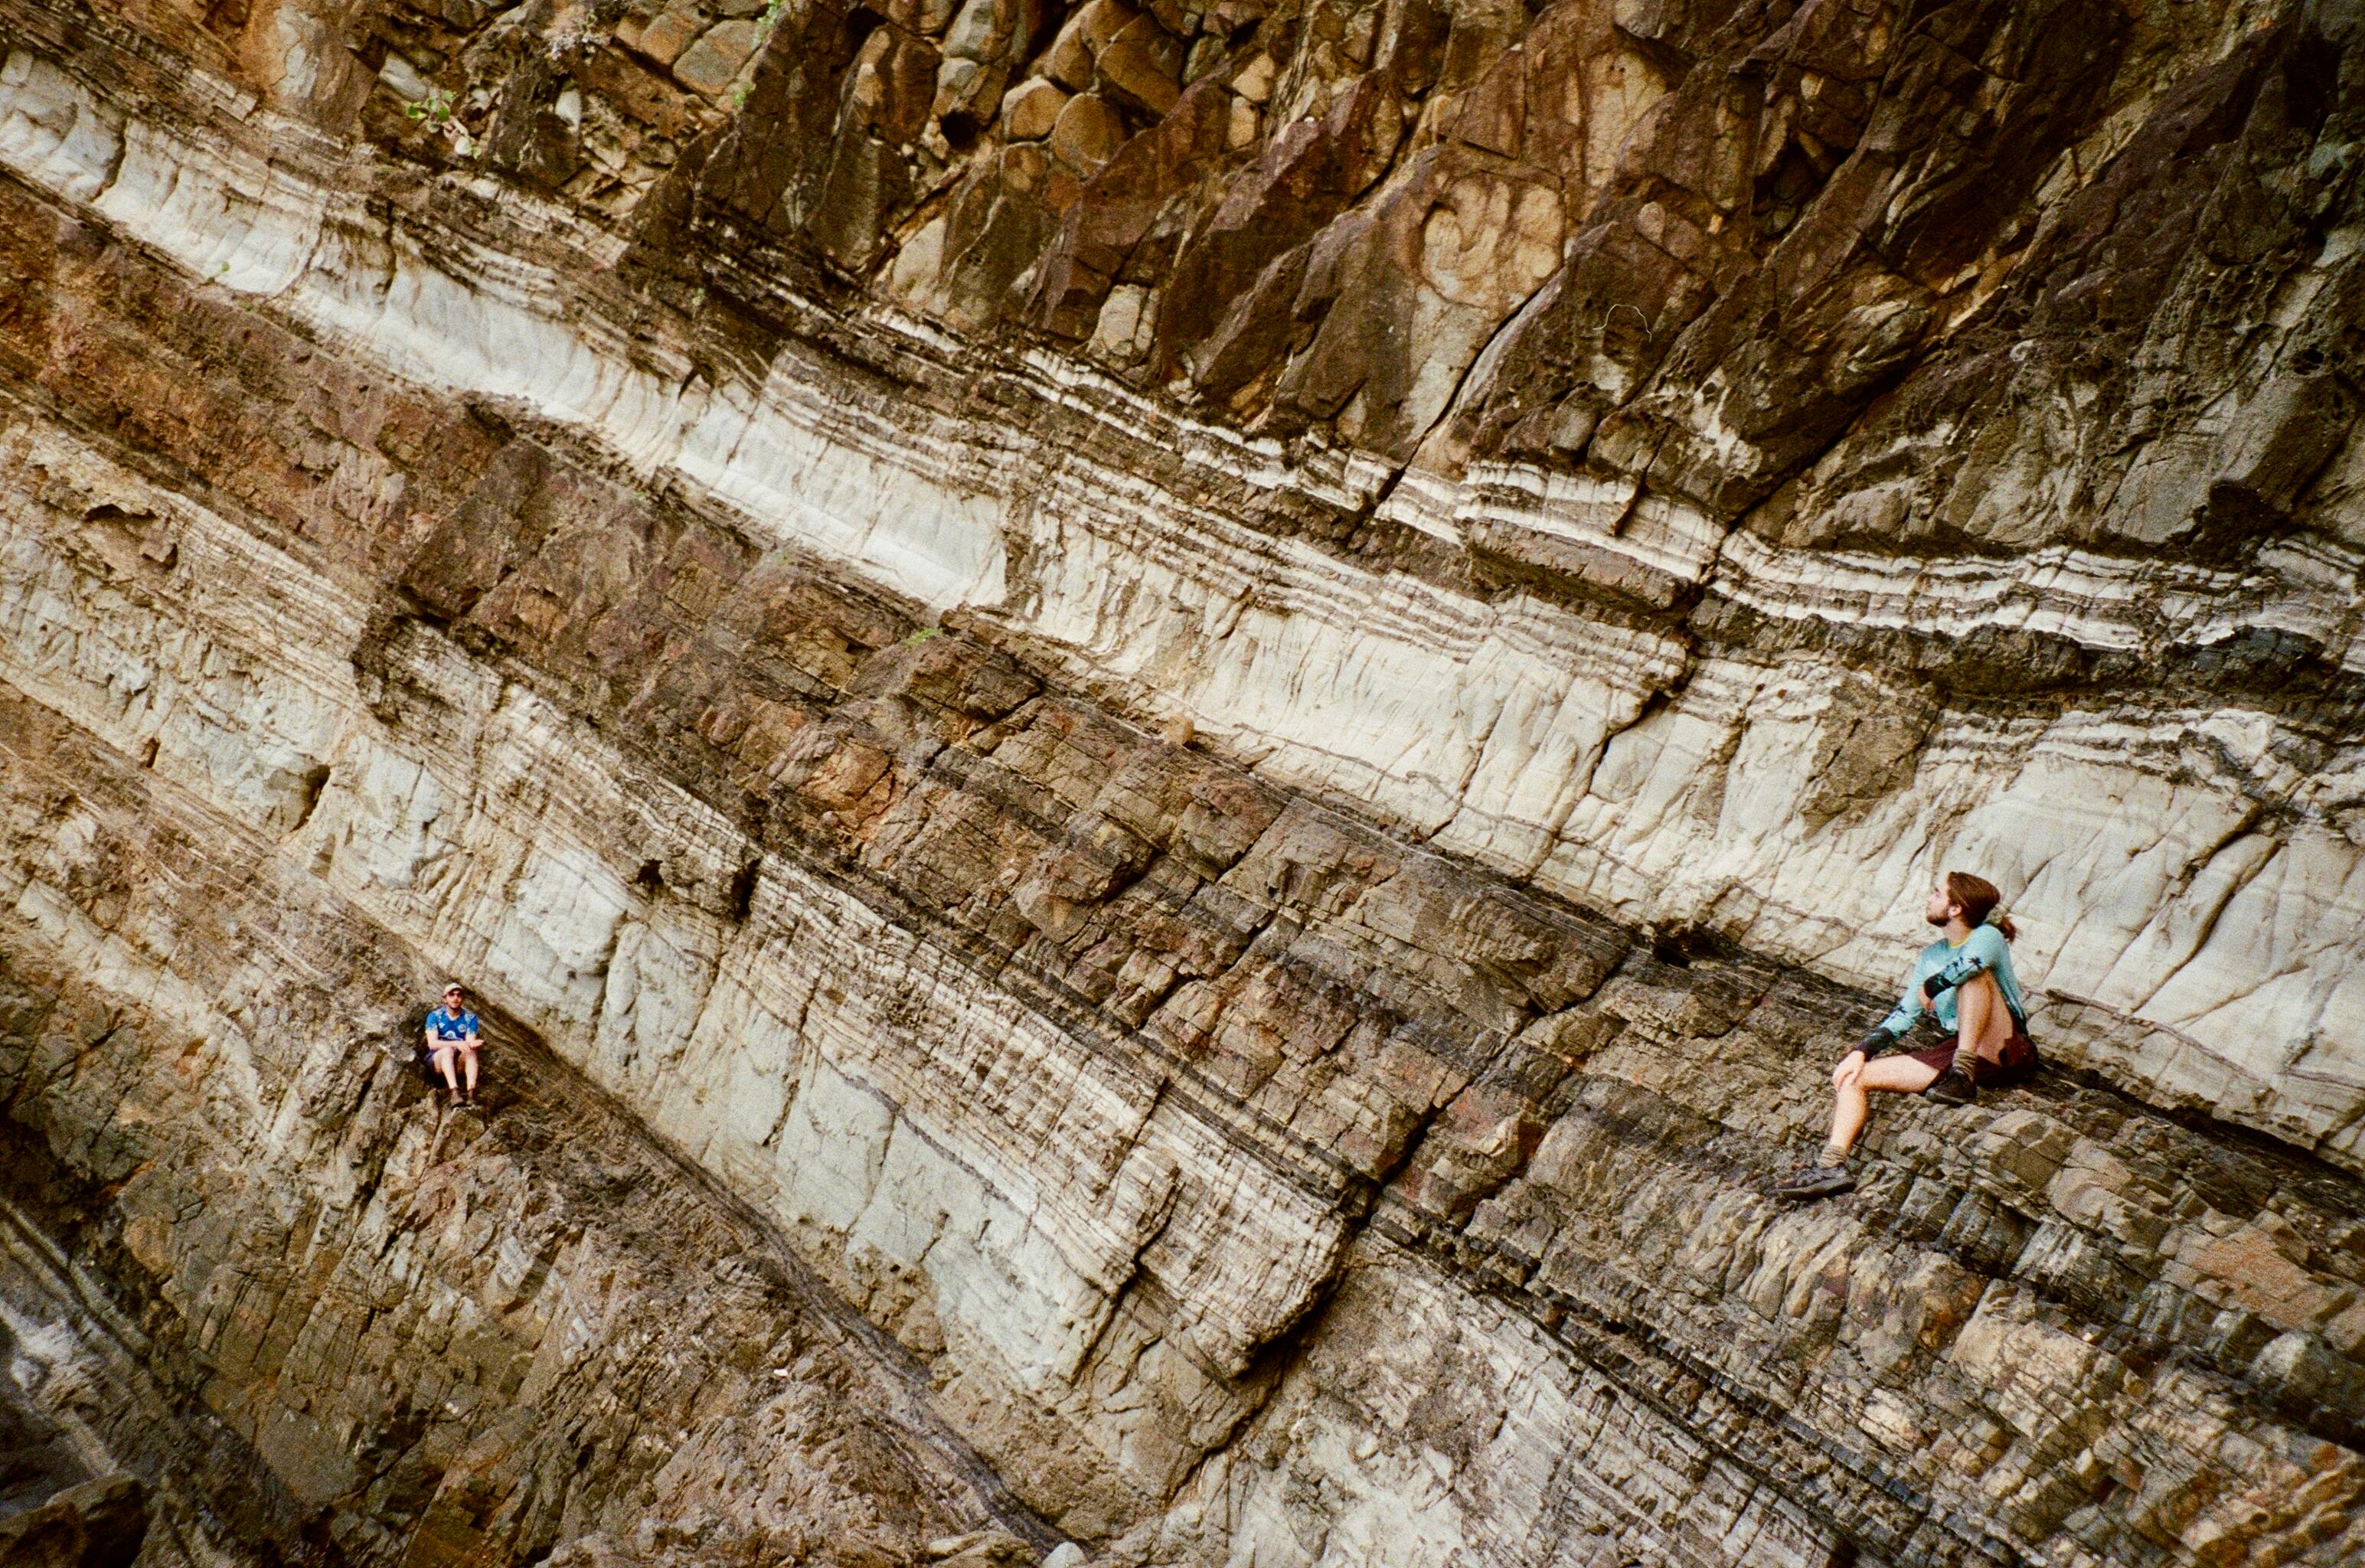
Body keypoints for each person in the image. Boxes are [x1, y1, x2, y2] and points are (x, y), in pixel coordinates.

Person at [1778, 872, 2038, 1200]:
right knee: (1855, 1078)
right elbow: (1905, 1013)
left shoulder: (1987, 936)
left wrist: (1933, 985)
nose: (1929, 898)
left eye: (1936, 893)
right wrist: (1862, 1051)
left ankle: (1962, 1074)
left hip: (2007, 1046)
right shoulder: (1931, 955)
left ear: (1956, 908)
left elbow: (1974, 963)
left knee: (1973, 978)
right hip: (1961, 1046)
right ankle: (1832, 1166)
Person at [423, 983, 483, 1109]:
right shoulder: (435, 1016)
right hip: (437, 1060)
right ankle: (454, 1092)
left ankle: (471, 1093)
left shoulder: (470, 1018)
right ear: (445, 998)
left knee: (471, 1052)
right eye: (451, 995)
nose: (455, 998)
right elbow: (432, 1043)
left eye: (459, 995)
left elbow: (468, 1043)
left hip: (457, 1063)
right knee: (447, 1050)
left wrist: (474, 1044)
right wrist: (456, 1043)